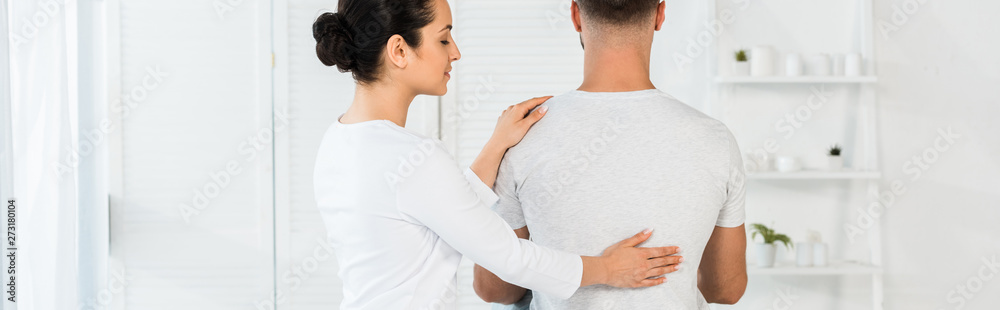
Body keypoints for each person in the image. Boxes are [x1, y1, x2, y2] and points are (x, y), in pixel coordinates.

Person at [311, 0, 684, 309]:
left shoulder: (339, 139)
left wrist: (496, 145)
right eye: (443, 40)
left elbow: (443, 217)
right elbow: (511, 257)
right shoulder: (415, 157)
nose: (455, 53)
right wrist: (608, 269)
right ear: (398, 51)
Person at [472, 0, 748, 309]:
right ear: (660, 15)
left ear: (576, 15)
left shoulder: (522, 135)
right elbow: (726, 289)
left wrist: (558, 275)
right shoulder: (715, 139)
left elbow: (495, 289)